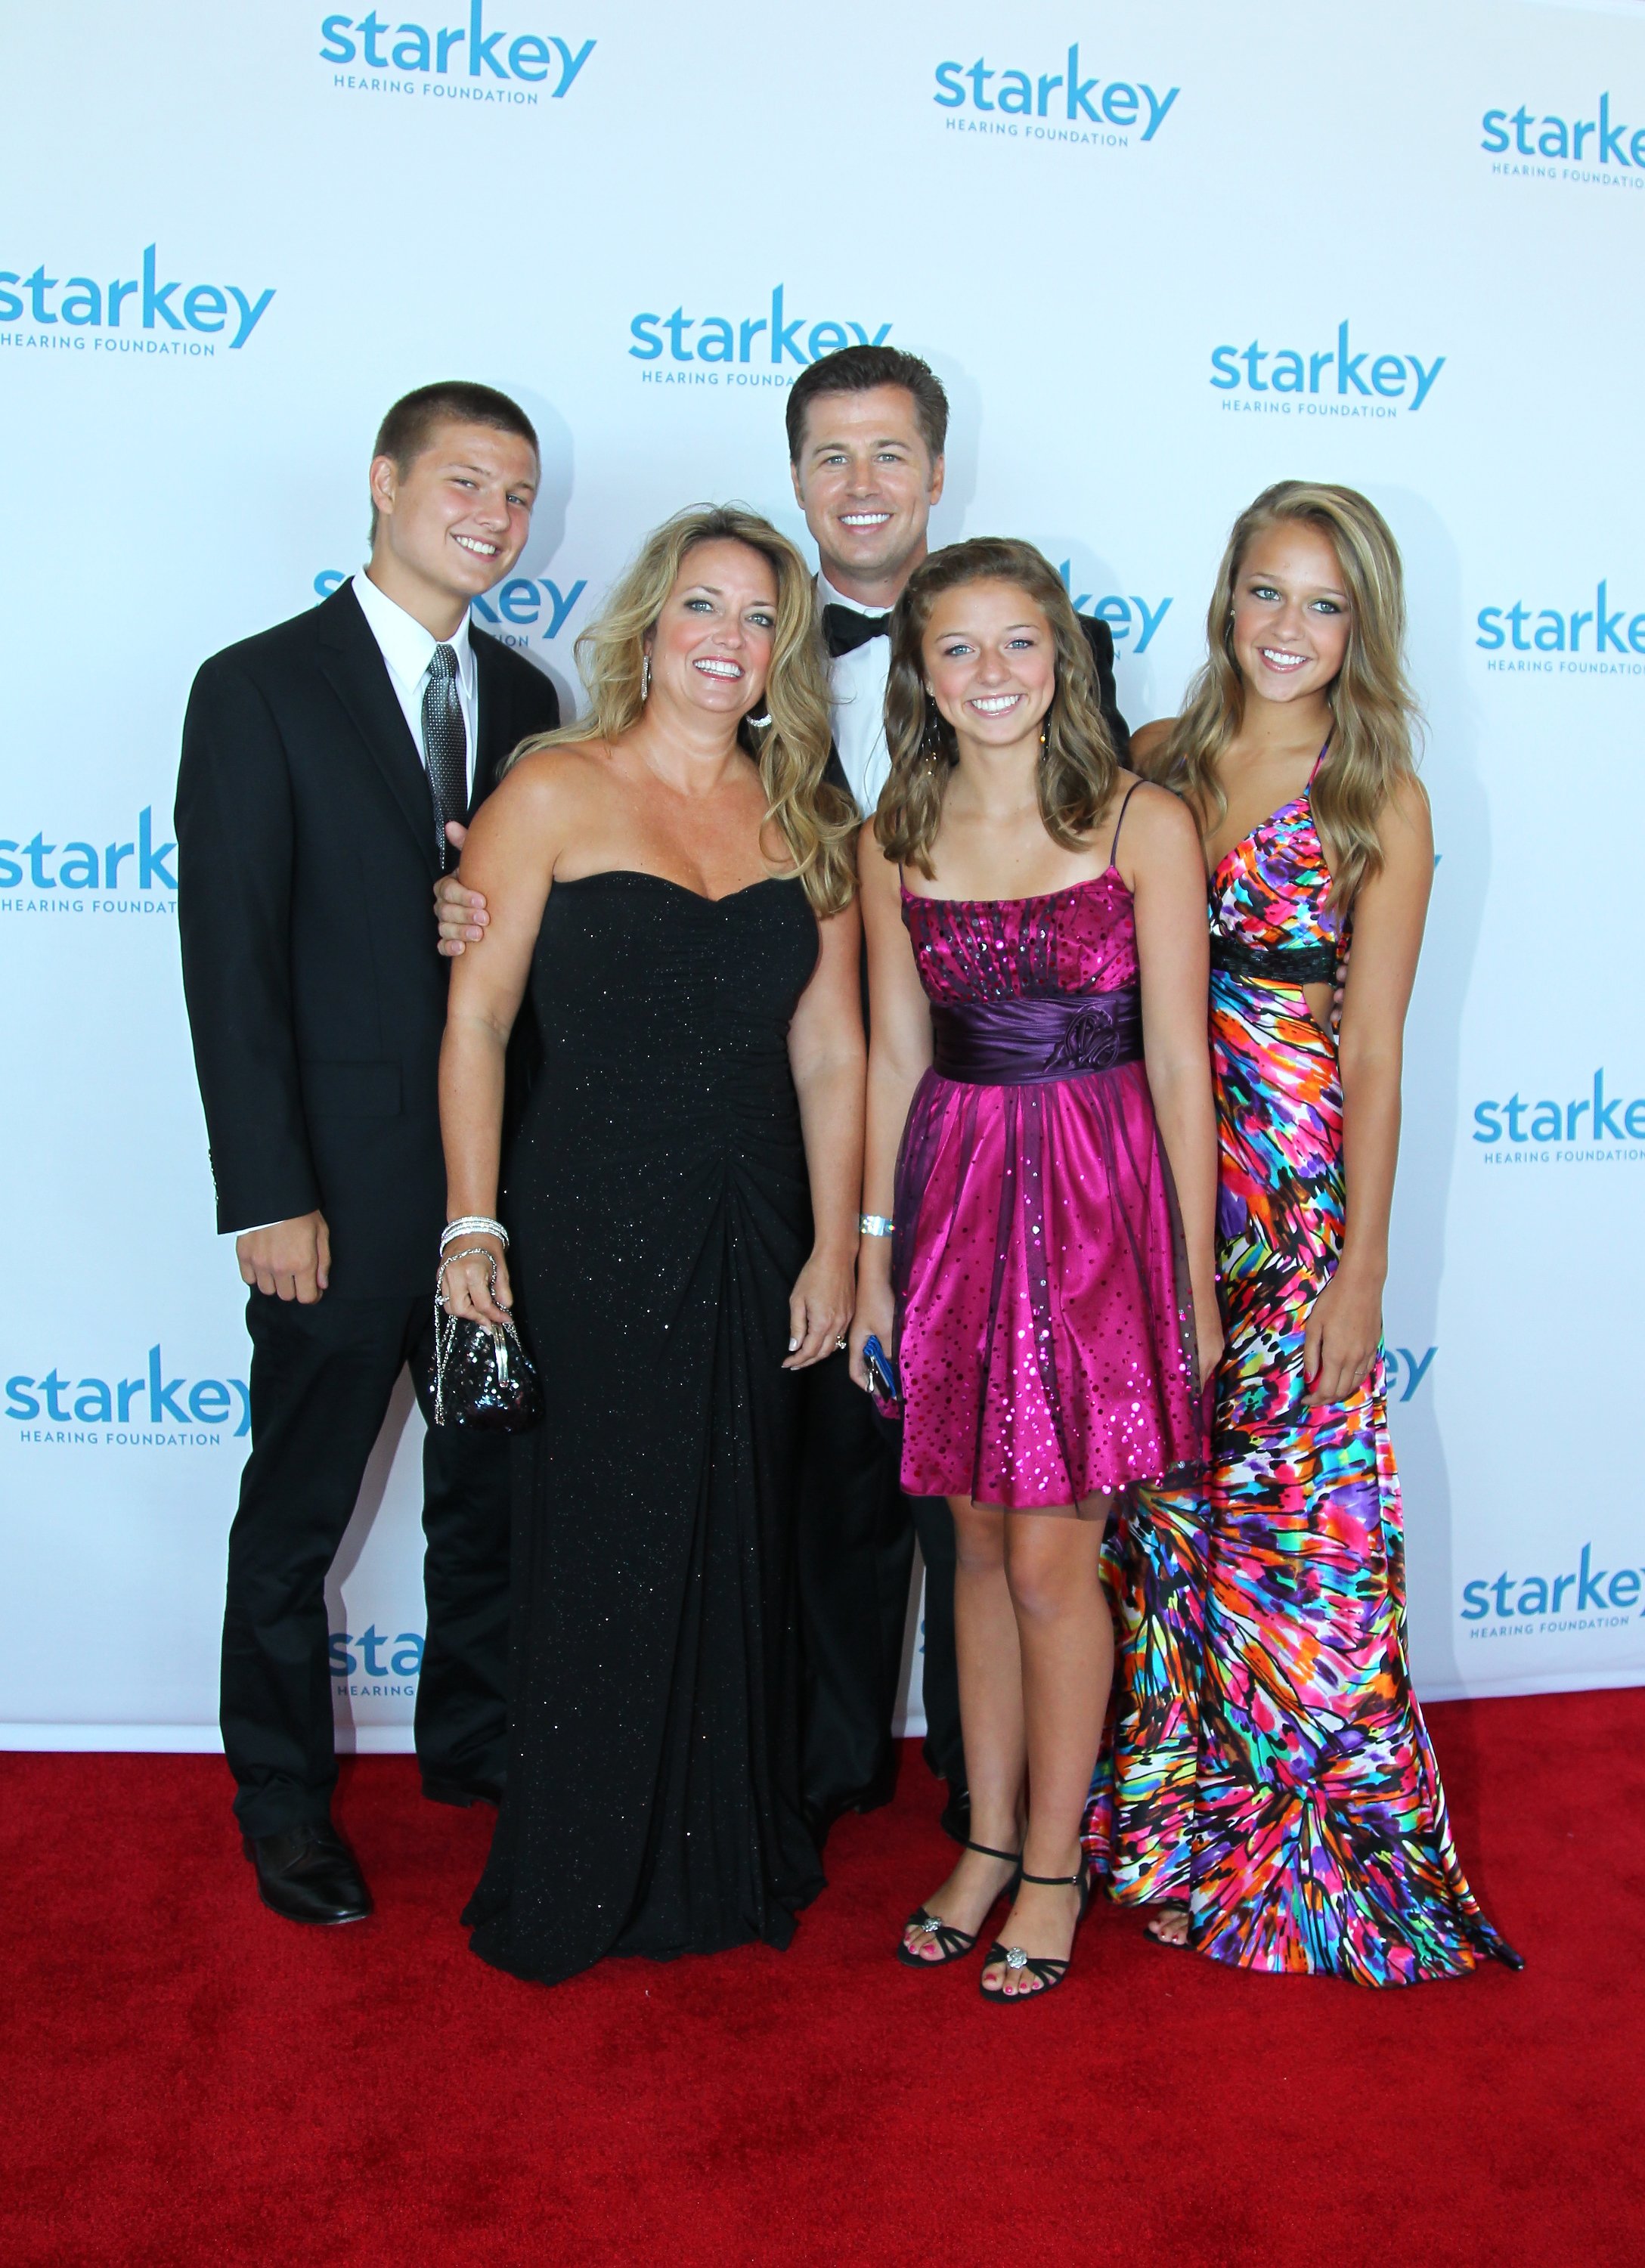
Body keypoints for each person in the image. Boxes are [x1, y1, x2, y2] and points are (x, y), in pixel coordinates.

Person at [433, 344, 1130, 1851]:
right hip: (757, 1155)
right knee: (800, 1493)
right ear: (798, 475)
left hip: (999, 1145)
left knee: (984, 1512)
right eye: (830, 455)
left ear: (935, 473)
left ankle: (988, 1811)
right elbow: (524, 967)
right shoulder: (696, 742)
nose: (862, 482)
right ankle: (811, 1776)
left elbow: (1103, 892)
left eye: (889, 454)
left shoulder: (1013, 655)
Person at [1093, 481, 1520, 1984]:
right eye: (1265, 593)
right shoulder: (1151, 762)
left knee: (1301, 1543)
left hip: (1289, 1214)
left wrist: (1363, 1271)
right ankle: (1171, 1832)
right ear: (1224, 602)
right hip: (1139, 1193)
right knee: (1162, 1529)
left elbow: (1380, 1053)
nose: (1287, 628)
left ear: (1361, 629)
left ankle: (1316, 1853)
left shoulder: (1373, 796)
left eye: (1321, 605)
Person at [436, 506, 863, 1986]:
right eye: (703, 606)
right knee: (605, 1531)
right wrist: (471, 1222)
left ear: (781, 655)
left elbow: (830, 1052)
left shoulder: (806, 811)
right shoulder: (552, 789)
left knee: (737, 1524)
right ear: (649, 623)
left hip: (757, 1221)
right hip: (586, 1215)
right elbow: (478, 1018)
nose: (726, 641)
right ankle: (582, 1853)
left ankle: (716, 1844)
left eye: (757, 619)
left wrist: (841, 1249)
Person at [175, 382, 561, 1923]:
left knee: (489, 1498)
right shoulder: (259, 687)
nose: (493, 513)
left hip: (497, 1199)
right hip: (330, 1198)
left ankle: (475, 1748)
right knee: (298, 1513)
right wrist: (270, 1190)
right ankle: (280, 1799)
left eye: (519, 493)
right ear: (388, 481)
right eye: (465, 479)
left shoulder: (530, 703)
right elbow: (230, 961)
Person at [849, 538, 1219, 2001]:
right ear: (921, 673)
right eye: (959, 649)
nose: (991, 673)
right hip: (949, 1202)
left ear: (1060, 659)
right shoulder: (897, 830)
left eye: (1019, 644)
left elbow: (1182, 1066)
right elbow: (891, 1054)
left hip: (1097, 1205)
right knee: (980, 1552)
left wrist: (1186, 1273)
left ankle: (1057, 1867)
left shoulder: (1143, 820)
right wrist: (876, 1257)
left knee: (1061, 1559)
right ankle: (989, 1838)